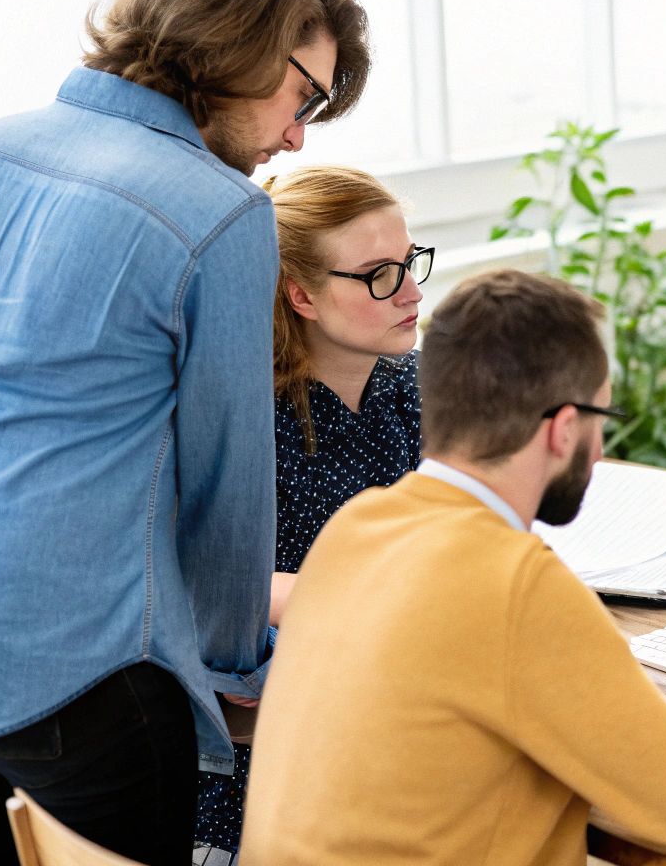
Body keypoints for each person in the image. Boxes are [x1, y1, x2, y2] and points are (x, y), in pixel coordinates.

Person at [0, 0, 369, 866]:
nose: (296, 135)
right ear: (242, 44)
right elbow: (227, 488)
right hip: (78, 668)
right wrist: (239, 669)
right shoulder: (219, 213)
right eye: (305, 97)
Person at [242, 270, 666, 865]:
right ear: (561, 430)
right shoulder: (517, 585)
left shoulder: (355, 529)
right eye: (600, 419)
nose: (600, 449)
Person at [194, 165, 429, 858]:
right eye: (379, 274)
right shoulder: (245, 424)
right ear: (301, 294)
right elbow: (182, 579)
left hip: (389, 735)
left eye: (411, 262)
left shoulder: (412, 390)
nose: (411, 291)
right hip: (261, 779)